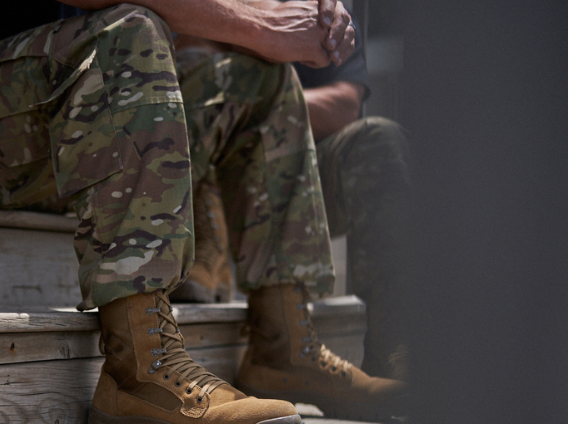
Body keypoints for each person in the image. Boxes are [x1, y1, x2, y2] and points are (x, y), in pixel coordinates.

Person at [0, 0, 403, 424]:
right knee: (130, 32)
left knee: (263, 79)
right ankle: (138, 369)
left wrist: (288, 21)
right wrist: (262, 23)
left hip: (30, 130)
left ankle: (284, 347)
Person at [173, 13, 411, 380]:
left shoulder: (325, 16)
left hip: (294, 181)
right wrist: (255, 34)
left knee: (380, 139)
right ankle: (209, 250)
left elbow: (345, 105)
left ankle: (391, 352)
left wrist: (270, 99)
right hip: (216, 167)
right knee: (203, 77)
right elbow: (192, 57)